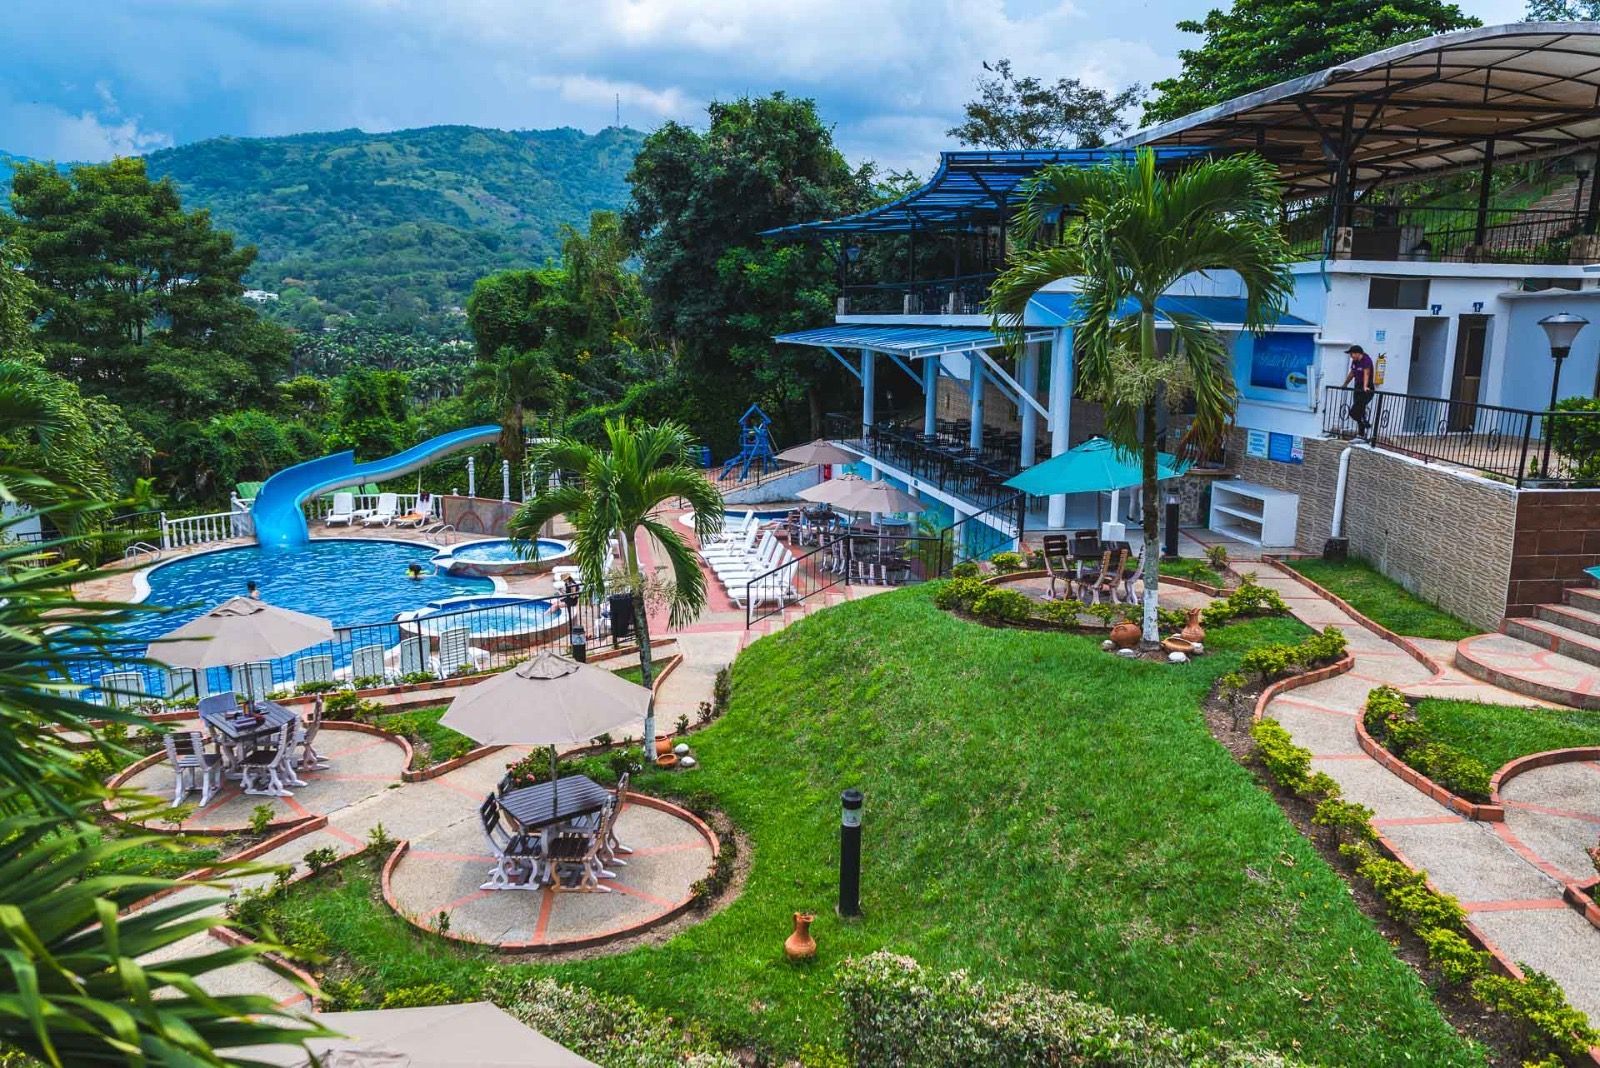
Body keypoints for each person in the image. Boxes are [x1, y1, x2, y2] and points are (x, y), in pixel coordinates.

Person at [1343, 344, 1378, 438]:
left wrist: (1365, 386)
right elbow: (1352, 373)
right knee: (1359, 412)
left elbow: (1366, 373)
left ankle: (1365, 422)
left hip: (1367, 388)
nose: (1351, 356)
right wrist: (1345, 384)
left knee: (1354, 412)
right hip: (1357, 386)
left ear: (1358, 353)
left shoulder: (1366, 360)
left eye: (1352, 354)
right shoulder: (1355, 362)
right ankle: (1361, 433)